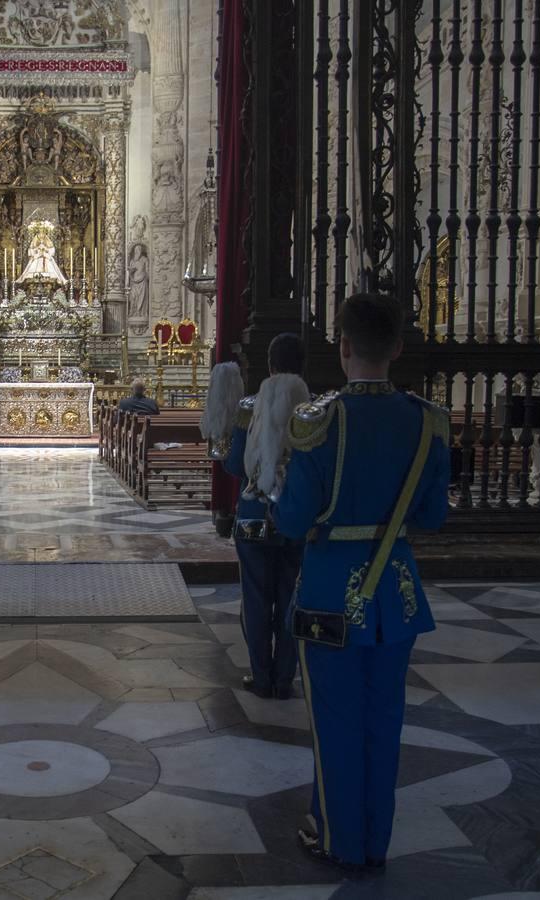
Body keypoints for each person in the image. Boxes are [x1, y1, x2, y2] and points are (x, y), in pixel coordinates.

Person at [272, 293, 450, 872]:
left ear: (342, 347)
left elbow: (294, 520)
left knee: (334, 720)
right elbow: (431, 517)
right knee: (386, 718)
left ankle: (339, 839)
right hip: (396, 593)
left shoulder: (319, 422)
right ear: (397, 347)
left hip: (329, 593)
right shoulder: (427, 420)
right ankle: (376, 839)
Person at [222, 335, 310, 700]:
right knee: (291, 594)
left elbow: (231, 464)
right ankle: (284, 677)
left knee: (256, 598)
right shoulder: (315, 412)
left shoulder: (247, 409)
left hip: (254, 516)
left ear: (269, 365)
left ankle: (261, 676)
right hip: (295, 518)